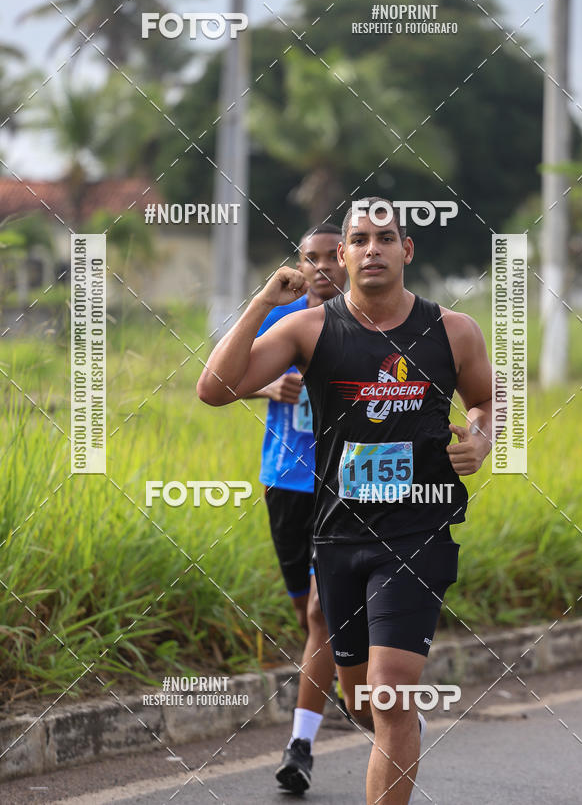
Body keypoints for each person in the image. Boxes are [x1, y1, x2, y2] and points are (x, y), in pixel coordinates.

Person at [198, 198, 493, 804]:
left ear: (407, 250)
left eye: (386, 237)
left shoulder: (453, 331)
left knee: (389, 691)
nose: (372, 249)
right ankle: (400, 731)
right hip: (338, 536)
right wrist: (261, 303)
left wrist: (482, 439)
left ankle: (398, 723)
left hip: (418, 532)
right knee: (363, 703)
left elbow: (492, 399)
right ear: (342, 255)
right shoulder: (309, 328)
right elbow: (215, 389)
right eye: (359, 239)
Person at [247, 223, 347, 792]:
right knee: (309, 615)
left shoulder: (362, 322)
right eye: (309, 258)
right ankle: (366, 698)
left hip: (345, 487)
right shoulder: (278, 321)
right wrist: (270, 389)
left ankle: (300, 746)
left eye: (331, 256)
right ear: (300, 265)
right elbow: (221, 381)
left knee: (318, 614)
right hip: (286, 481)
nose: (321, 267)